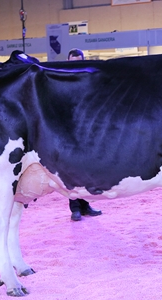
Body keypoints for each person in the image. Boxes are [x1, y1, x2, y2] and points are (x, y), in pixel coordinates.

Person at [66, 48, 102, 221]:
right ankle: (74, 208)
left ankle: (85, 205)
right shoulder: (63, 81)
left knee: (86, 169)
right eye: (73, 61)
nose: (76, 65)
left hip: (86, 130)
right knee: (70, 171)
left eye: (79, 61)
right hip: (69, 130)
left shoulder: (89, 80)